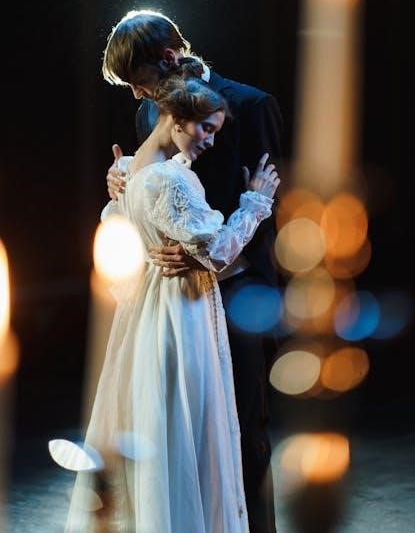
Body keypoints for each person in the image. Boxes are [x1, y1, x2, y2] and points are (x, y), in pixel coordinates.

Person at [64, 64, 280, 532]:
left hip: (147, 309)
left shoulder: (131, 170)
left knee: (163, 421)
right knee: (189, 427)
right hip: (181, 309)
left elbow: (113, 227)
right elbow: (217, 249)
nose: (210, 141)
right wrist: (256, 202)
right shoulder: (171, 179)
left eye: (216, 130)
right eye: (205, 128)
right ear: (174, 118)